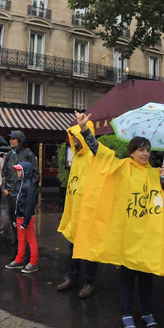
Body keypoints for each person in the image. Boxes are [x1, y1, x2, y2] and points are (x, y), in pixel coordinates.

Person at [72, 111, 164, 328]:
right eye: (141, 149)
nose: (145, 153)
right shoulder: (122, 168)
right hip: (128, 235)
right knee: (127, 277)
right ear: (131, 152)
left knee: (147, 278)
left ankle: (147, 312)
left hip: (148, 237)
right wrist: (84, 129)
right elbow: (100, 154)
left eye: (148, 150)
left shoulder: (155, 174)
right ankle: (127, 313)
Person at [56, 121, 98, 298]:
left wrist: (85, 129)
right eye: (72, 136)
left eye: (75, 135)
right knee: (73, 247)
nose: (73, 139)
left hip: (89, 212)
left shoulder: (93, 156)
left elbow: (97, 149)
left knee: (88, 250)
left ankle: (90, 282)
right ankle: (73, 277)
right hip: (75, 211)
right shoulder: (77, 157)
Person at [3, 130, 39, 264]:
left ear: (19, 140)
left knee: (26, 225)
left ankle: (28, 255)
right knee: (14, 224)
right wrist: (4, 188)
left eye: (13, 139)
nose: (10, 141)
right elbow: (4, 172)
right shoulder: (8, 155)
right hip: (11, 195)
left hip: (23, 195)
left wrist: (29, 191)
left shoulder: (29, 154)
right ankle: (17, 251)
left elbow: (36, 175)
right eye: (10, 139)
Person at [5, 162, 40, 273]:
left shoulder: (28, 186)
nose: (17, 172)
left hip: (25, 218)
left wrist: (25, 221)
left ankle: (33, 262)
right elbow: (19, 202)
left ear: (25, 171)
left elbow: (29, 205)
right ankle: (19, 259)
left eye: (19, 170)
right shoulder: (24, 184)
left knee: (30, 240)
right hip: (22, 217)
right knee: (22, 239)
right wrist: (16, 217)